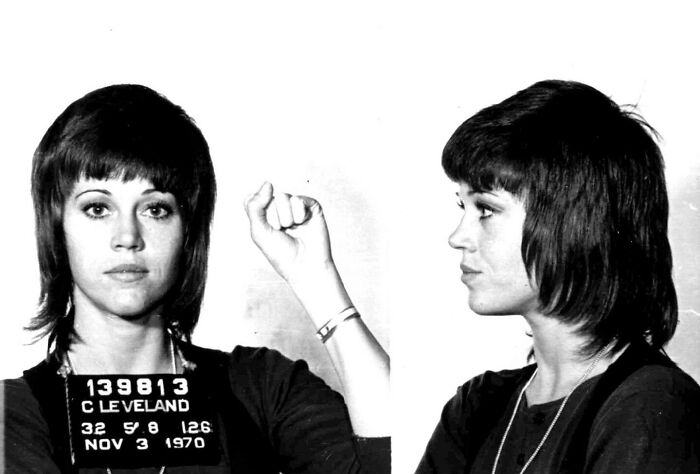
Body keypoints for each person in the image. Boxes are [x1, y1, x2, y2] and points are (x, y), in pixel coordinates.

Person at [1, 84, 389, 473]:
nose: (128, 237)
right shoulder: (13, 416)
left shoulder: (261, 386)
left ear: (188, 232)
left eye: (155, 209)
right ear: (57, 226)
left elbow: (394, 460)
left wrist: (317, 281)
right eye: (98, 208)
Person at [416, 80, 700, 473]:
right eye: (463, 207)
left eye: (486, 209)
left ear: (572, 221)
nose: (457, 237)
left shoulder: (650, 404)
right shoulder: (478, 407)